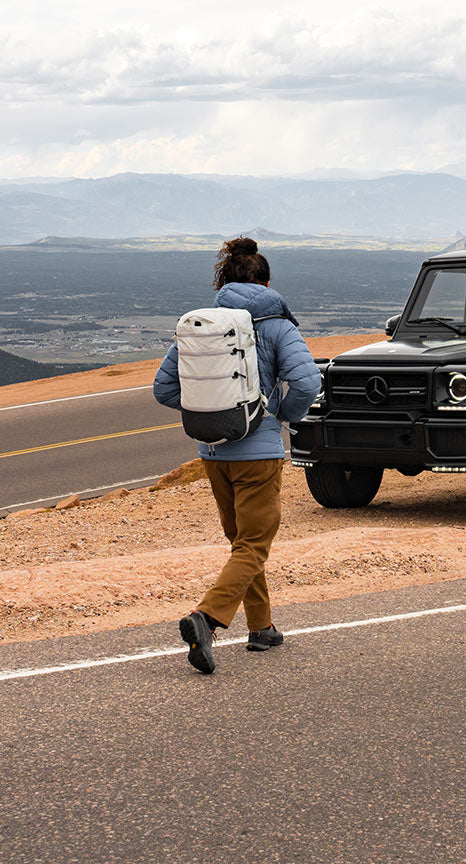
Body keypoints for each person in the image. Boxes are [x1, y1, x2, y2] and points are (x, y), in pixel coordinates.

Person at [153, 237, 321, 674]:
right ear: (266, 282)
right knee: (254, 543)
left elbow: (164, 389)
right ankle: (206, 620)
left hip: (212, 453)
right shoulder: (278, 324)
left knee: (242, 542)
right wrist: (278, 415)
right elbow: (307, 383)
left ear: (223, 282)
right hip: (258, 454)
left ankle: (261, 627)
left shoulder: (201, 326)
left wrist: (213, 415)